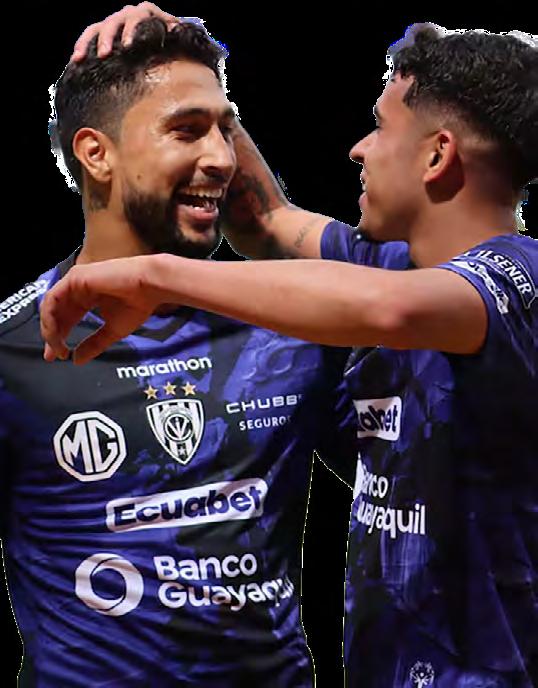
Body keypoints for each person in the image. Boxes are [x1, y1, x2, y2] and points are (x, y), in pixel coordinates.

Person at [45, 9, 537, 688]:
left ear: (437, 156)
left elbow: (391, 311)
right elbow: (264, 220)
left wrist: (152, 276)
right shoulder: (386, 263)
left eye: (380, 128)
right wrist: (202, 80)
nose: (359, 150)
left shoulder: (519, 278)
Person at [0, 16, 358, 687]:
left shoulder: (287, 324)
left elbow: (408, 485)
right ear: (96, 154)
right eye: (188, 130)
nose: (222, 158)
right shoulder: (12, 350)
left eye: (227, 128)